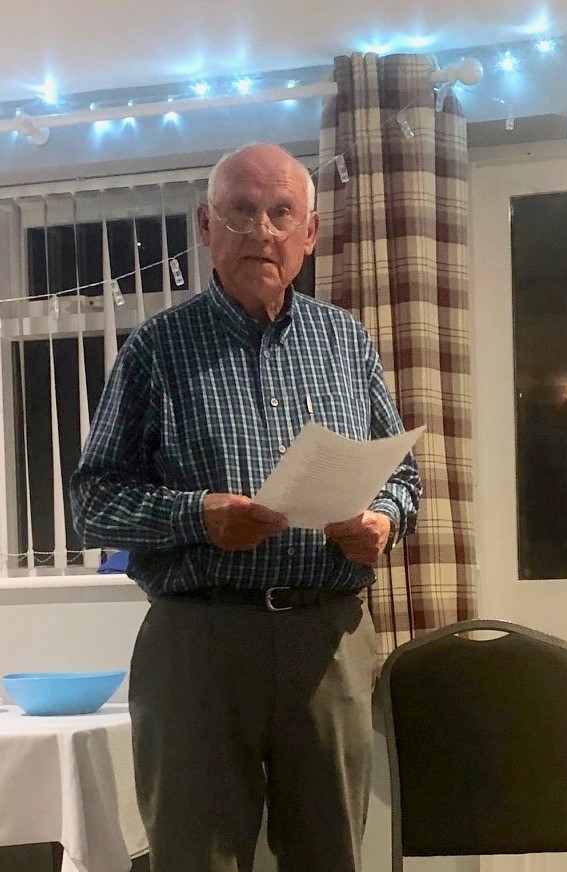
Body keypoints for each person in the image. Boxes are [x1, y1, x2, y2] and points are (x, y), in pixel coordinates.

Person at [70, 142, 421, 872]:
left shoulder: (346, 342)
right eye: (240, 211)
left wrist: (383, 520)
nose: (261, 230)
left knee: (330, 856)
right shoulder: (157, 349)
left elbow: (402, 473)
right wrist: (198, 517)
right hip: (197, 642)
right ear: (206, 227)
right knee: (194, 858)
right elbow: (93, 501)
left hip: (327, 638)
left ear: (309, 233)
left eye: (281, 212)